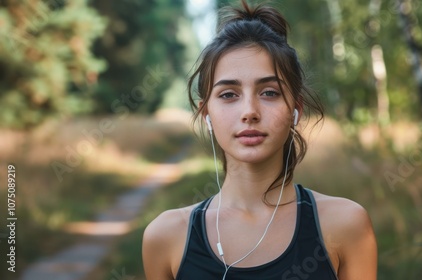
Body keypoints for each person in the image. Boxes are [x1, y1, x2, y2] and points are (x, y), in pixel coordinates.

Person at [142, 1, 377, 279]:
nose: (249, 112)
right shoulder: (166, 236)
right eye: (229, 94)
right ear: (206, 113)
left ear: (295, 110)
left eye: (269, 92)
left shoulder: (345, 225)